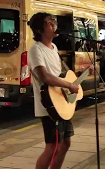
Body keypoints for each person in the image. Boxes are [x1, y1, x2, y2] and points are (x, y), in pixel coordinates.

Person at [27, 12, 79, 169]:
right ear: (39, 30)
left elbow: (58, 74)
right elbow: (45, 77)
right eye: (49, 23)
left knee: (66, 143)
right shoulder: (36, 50)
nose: (54, 25)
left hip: (61, 103)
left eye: (53, 22)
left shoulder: (54, 47)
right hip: (49, 106)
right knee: (52, 146)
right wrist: (69, 85)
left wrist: (71, 81)